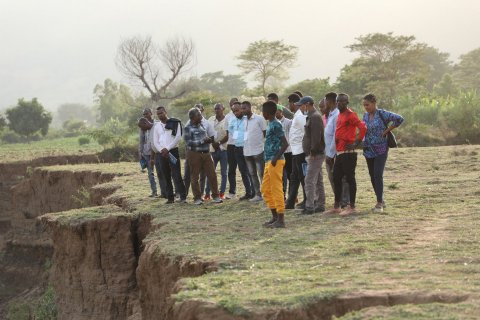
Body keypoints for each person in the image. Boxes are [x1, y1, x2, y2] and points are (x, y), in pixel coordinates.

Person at [325, 93, 367, 216]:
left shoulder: (350, 114)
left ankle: (352, 207)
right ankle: (337, 207)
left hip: (349, 153)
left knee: (350, 179)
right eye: (338, 101)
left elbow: (363, 128)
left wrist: (356, 143)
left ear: (347, 102)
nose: (339, 103)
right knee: (336, 178)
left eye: (342, 101)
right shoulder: (340, 115)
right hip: (340, 153)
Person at [362, 93, 404, 213]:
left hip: (381, 149)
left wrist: (387, 130)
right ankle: (381, 199)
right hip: (368, 149)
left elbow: (399, 119)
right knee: (372, 176)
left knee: (377, 174)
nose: (366, 107)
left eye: (368, 105)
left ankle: (379, 203)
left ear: (374, 103)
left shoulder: (382, 114)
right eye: (364, 105)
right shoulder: (365, 116)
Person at [183, 108, 223, 205]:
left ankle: (216, 196)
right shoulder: (188, 128)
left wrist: (209, 140)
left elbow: (207, 136)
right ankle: (197, 198)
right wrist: (202, 141)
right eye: (199, 115)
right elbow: (188, 143)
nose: (201, 117)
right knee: (194, 176)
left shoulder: (202, 125)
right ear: (193, 117)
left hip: (206, 153)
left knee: (212, 175)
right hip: (194, 154)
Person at [261, 101, 289, 228]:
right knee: (265, 189)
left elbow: (285, 144)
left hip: (275, 161)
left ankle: (281, 220)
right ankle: (275, 217)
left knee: (276, 189)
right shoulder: (270, 123)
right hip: (269, 160)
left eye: (263, 111)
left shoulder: (276, 124)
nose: (262, 113)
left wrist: (274, 158)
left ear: (267, 113)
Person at [151, 106, 187, 204]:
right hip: (161, 154)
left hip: (173, 151)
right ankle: (170, 198)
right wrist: (161, 150)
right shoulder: (157, 126)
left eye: (161, 113)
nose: (160, 115)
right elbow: (155, 141)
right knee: (165, 175)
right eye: (158, 114)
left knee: (176, 175)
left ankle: (183, 197)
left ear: (166, 112)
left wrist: (168, 148)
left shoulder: (175, 122)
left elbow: (178, 137)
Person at [324, 92, 350, 208]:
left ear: (329, 101)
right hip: (329, 151)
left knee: (341, 178)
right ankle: (338, 200)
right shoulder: (331, 114)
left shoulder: (336, 115)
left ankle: (345, 202)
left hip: (336, 152)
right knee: (333, 177)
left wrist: (330, 154)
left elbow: (336, 135)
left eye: (325, 100)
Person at [301, 96, 326, 214]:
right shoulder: (311, 116)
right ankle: (320, 204)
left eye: (301, 105)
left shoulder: (315, 117)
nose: (301, 108)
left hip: (315, 154)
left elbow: (316, 137)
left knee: (309, 180)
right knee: (318, 180)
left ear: (307, 104)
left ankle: (310, 207)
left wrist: (313, 152)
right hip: (314, 153)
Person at [226, 102, 254, 200]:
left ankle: (255, 193)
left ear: (241, 109)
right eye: (234, 111)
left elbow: (249, 132)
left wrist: (244, 139)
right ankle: (248, 192)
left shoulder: (248, 119)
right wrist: (237, 137)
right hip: (237, 148)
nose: (236, 113)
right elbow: (231, 131)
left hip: (246, 147)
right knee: (243, 172)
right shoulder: (233, 120)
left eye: (237, 110)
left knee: (250, 171)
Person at [285, 93, 308, 210]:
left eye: (289, 103)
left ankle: (307, 200)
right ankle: (290, 202)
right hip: (295, 151)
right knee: (294, 176)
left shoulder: (300, 116)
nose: (288, 105)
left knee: (303, 177)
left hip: (301, 151)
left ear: (293, 103)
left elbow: (306, 132)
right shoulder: (296, 115)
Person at [242, 100, 267, 202]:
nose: (243, 110)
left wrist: (261, 144)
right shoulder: (242, 121)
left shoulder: (259, 119)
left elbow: (265, 133)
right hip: (247, 152)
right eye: (242, 109)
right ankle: (258, 195)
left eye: (245, 108)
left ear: (250, 107)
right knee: (252, 174)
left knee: (262, 174)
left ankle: (266, 194)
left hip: (258, 151)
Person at [204, 103, 228, 200]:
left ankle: (221, 193)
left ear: (223, 109)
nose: (217, 110)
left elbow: (228, 134)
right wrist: (213, 142)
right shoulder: (210, 119)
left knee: (224, 172)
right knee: (210, 172)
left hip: (224, 149)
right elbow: (207, 132)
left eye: (219, 108)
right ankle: (207, 193)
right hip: (212, 150)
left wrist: (219, 143)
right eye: (215, 109)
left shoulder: (227, 120)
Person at [183, 103, 207, 197]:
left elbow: (210, 135)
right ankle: (184, 194)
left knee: (202, 175)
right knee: (188, 175)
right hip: (191, 153)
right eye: (198, 113)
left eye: (200, 112)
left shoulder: (204, 124)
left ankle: (200, 194)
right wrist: (201, 141)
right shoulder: (188, 125)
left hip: (203, 152)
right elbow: (188, 142)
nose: (200, 115)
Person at [138, 117, 157, 197]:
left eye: (142, 127)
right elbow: (141, 141)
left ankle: (165, 192)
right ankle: (154, 192)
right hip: (146, 154)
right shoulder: (143, 130)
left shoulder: (155, 126)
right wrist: (140, 152)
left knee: (161, 173)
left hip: (155, 153)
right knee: (150, 174)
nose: (142, 129)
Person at [224, 97, 239, 199]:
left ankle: (251, 191)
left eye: (234, 104)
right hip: (231, 145)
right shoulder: (227, 117)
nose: (232, 106)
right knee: (231, 170)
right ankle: (232, 192)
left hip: (241, 145)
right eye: (231, 104)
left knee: (245, 170)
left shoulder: (244, 116)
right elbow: (227, 133)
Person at [275, 106, 292, 200]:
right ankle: (283, 195)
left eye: (277, 112)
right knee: (281, 175)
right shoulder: (272, 123)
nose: (275, 114)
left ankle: (293, 195)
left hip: (288, 152)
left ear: (281, 112)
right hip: (279, 153)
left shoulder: (288, 122)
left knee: (290, 175)